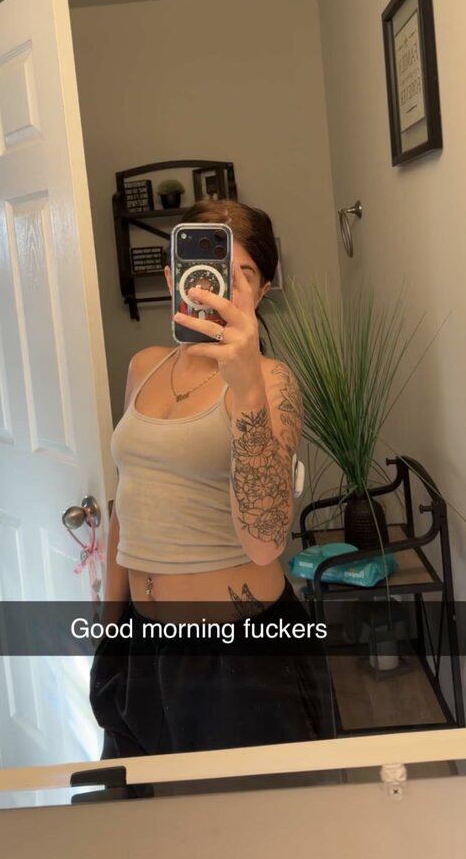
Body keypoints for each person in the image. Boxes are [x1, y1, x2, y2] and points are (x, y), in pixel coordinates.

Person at [89, 199, 326, 761]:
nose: (223, 289)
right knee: (142, 810)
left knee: (246, 815)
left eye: (244, 274)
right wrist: (110, 632)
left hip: (237, 659)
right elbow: (126, 503)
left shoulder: (273, 381)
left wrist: (245, 386)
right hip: (141, 646)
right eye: (211, 269)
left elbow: (265, 541)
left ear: (263, 291)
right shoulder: (143, 366)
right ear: (173, 277)